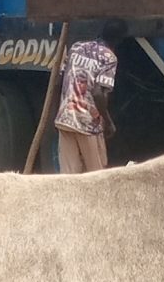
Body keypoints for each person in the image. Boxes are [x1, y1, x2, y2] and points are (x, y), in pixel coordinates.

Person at [53, 20, 125, 172]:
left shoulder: (76, 47)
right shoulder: (109, 58)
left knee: (68, 175)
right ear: (118, 40)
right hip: (87, 123)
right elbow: (98, 94)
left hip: (65, 117)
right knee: (96, 175)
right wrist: (108, 121)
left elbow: (59, 80)